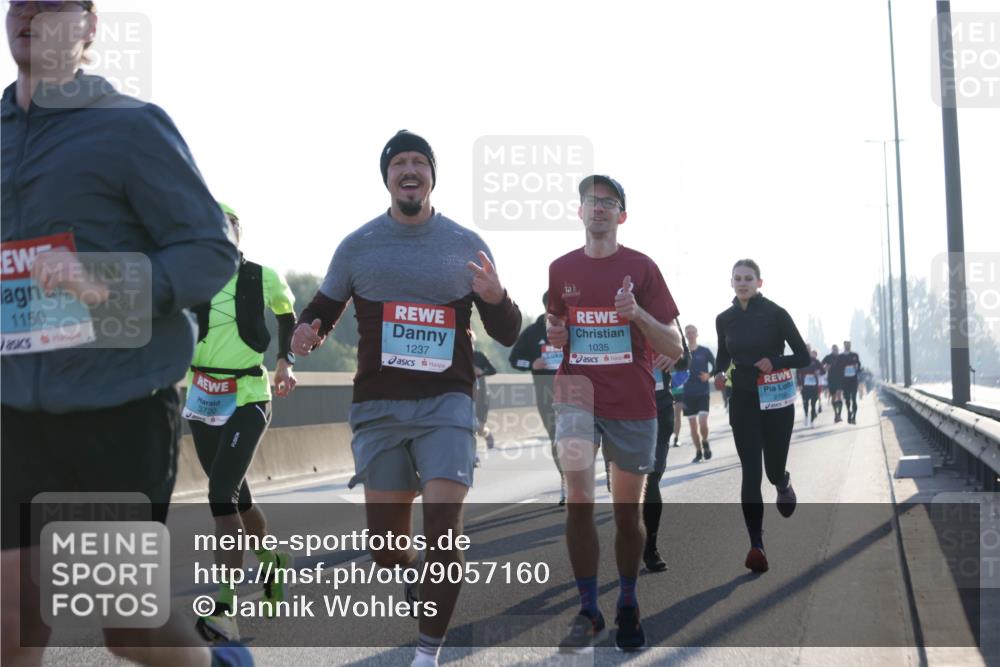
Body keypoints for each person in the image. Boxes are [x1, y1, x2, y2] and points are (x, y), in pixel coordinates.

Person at [1, 3, 245, 666]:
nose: (30, 13)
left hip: (119, 404)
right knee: (10, 619)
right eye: (19, 0)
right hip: (13, 413)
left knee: (124, 623)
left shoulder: (131, 127)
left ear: (89, 26)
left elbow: (209, 251)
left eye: (53, 3)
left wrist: (106, 281)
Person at [291, 130, 521, 667]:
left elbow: (507, 333)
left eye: (420, 161)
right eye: (400, 163)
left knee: (444, 528)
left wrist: (496, 296)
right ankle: (413, 570)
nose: (410, 169)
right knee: (388, 550)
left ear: (433, 177)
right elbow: (324, 307)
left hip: (447, 403)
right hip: (378, 407)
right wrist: (306, 332)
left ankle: (426, 654)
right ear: (388, 177)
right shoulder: (358, 245)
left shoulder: (466, 244)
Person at [546, 175, 682, 652]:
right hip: (577, 394)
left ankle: (627, 600)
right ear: (579, 212)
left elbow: (675, 347)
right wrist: (556, 335)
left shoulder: (642, 269)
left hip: (632, 402)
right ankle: (588, 609)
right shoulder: (560, 268)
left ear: (622, 216)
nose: (599, 208)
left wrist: (638, 316)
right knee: (579, 496)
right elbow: (557, 330)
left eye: (609, 202)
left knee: (628, 514)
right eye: (591, 201)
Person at [187, 204, 297, 643]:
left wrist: (285, 362)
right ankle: (271, 559)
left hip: (248, 395)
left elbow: (287, 315)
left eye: (224, 225)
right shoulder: (189, 276)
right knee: (236, 494)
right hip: (200, 396)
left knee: (218, 494)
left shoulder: (262, 276)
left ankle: (224, 609)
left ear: (237, 233)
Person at [713, 259, 808, 574]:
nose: (743, 283)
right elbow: (724, 354)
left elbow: (803, 356)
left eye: (748, 278)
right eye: (738, 278)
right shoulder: (724, 319)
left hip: (777, 400)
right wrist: (717, 372)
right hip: (743, 399)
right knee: (751, 472)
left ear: (759, 283)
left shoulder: (776, 314)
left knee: (772, 469)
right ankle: (757, 545)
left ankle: (782, 482)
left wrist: (776, 360)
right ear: (731, 283)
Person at [509, 292, 566, 503]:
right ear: (545, 309)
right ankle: (565, 482)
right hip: (547, 394)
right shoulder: (533, 333)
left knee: (581, 438)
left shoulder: (576, 329)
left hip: (578, 392)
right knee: (557, 438)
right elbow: (514, 360)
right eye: (552, 309)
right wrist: (532, 363)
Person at [643, 325, 689, 573]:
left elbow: (685, 360)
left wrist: (676, 357)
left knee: (651, 479)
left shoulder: (661, 316)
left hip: (659, 410)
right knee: (621, 486)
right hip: (618, 412)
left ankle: (650, 546)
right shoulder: (605, 314)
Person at [681, 324, 716, 463]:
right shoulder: (681, 353)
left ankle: (705, 441)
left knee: (702, 422)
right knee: (692, 426)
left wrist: (709, 375)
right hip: (687, 393)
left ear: (697, 334)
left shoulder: (705, 351)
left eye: (692, 332)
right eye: (688, 332)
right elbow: (674, 368)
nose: (690, 334)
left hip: (703, 391)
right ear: (685, 335)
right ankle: (698, 451)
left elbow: (716, 365)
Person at [471, 335, 497, 451]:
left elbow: (492, 370)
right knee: (468, 427)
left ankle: (487, 434)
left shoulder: (479, 356)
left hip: (482, 397)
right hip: (465, 397)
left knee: (479, 429)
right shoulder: (457, 357)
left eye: (471, 341)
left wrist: (481, 371)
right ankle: (473, 455)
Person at [797, 347, 823, 428]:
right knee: (805, 403)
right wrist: (799, 384)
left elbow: (823, 371)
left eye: (808, 349)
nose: (807, 351)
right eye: (806, 349)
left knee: (813, 403)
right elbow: (798, 374)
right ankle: (806, 416)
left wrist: (819, 372)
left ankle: (812, 421)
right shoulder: (801, 360)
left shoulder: (815, 361)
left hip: (814, 385)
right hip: (804, 386)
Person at [839, 340, 862, 424]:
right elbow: (837, 367)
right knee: (847, 399)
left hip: (853, 379)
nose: (847, 346)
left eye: (849, 345)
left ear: (850, 346)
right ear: (844, 346)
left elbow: (859, 366)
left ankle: (854, 417)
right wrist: (844, 366)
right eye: (846, 345)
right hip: (845, 380)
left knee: (854, 398)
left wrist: (857, 367)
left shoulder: (855, 355)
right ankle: (849, 411)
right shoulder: (841, 356)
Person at [822, 344, 845, 423]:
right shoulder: (828, 357)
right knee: (833, 397)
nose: (836, 351)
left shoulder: (841, 357)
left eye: (837, 349)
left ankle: (839, 415)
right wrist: (825, 368)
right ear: (832, 350)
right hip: (831, 379)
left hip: (840, 379)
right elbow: (821, 366)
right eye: (834, 349)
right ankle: (836, 414)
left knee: (839, 395)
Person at [669, 365, 688, 447]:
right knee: (678, 418)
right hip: (680, 394)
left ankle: (676, 438)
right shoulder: (687, 372)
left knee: (679, 418)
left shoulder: (672, 373)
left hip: (681, 394)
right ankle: (676, 438)